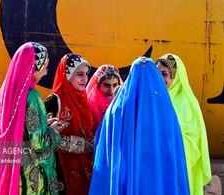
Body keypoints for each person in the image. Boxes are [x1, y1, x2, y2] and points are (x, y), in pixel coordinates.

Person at [89, 57, 190, 195]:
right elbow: (175, 150)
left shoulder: (117, 108)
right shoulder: (165, 109)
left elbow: (104, 144)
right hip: (156, 178)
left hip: (124, 175)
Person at [0, 42, 62, 195]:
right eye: (45, 67)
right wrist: (53, 131)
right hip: (33, 176)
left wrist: (43, 124)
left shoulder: (7, 93)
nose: (46, 73)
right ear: (34, 67)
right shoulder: (32, 95)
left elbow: (18, 126)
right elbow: (38, 142)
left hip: (12, 170)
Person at [156, 54, 211, 195]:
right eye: (157, 73)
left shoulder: (185, 104)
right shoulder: (155, 97)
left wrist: (166, 145)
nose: (160, 78)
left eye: (164, 74)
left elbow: (191, 140)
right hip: (158, 164)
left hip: (178, 166)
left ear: (175, 77)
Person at [44, 53, 94, 195]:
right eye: (79, 74)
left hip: (83, 167)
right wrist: (79, 144)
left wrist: (92, 141)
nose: (85, 79)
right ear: (67, 75)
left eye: (86, 74)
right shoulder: (55, 101)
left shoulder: (84, 100)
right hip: (60, 169)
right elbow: (43, 140)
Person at [86, 65, 122, 131]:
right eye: (106, 85)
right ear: (98, 85)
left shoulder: (122, 101)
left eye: (115, 85)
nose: (111, 90)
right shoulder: (90, 104)